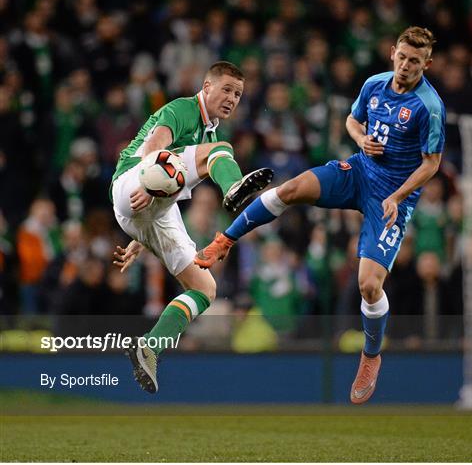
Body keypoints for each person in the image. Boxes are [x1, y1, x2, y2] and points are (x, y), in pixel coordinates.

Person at [195, 28, 446, 404]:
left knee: (369, 286)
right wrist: (361, 141)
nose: (406, 66)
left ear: (427, 63)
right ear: (392, 52)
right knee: (291, 188)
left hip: (392, 197)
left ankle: (371, 356)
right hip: (360, 171)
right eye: (402, 57)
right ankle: (225, 239)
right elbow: (351, 121)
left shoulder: (430, 106)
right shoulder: (375, 84)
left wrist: (397, 195)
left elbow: (432, 164)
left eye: (415, 61)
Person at [111, 61, 273, 393]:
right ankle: (232, 187)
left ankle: (150, 347)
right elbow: (156, 145)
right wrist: (146, 183)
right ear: (207, 86)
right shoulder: (184, 109)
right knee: (220, 152)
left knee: (205, 288)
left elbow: (168, 187)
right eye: (226, 89)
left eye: (238, 94)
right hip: (134, 180)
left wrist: (140, 236)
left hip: (150, 208)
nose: (232, 98)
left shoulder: (209, 131)